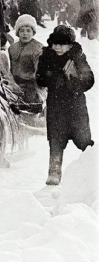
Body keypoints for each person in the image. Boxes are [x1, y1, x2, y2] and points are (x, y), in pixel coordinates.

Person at [36, 25, 95, 185]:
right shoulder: (46, 57)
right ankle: (54, 171)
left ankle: (93, 167)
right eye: (55, 43)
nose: (58, 47)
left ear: (70, 45)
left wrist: (72, 82)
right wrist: (53, 78)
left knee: (83, 139)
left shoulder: (77, 57)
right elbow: (40, 78)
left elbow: (89, 79)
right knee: (55, 140)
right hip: (56, 105)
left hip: (76, 105)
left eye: (62, 44)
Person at [8, 15, 45, 113]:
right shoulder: (12, 48)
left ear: (33, 32)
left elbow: (40, 71)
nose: (25, 34)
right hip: (14, 86)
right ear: (17, 33)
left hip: (32, 87)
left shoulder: (38, 48)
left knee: (29, 112)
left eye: (28, 31)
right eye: (22, 30)